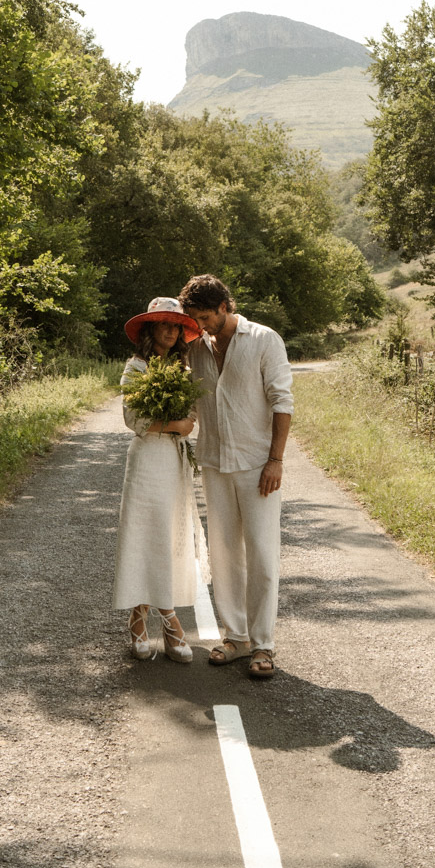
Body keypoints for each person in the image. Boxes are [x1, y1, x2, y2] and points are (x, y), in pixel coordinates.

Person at [178, 274, 293, 679]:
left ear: (226, 306)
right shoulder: (195, 348)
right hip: (214, 462)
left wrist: (275, 460)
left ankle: (263, 643)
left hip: (257, 464)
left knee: (261, 553)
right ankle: (236, 636)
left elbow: (282, 401)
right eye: (195, 318)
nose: (202, 324)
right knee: (224, 552)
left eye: (206, 316)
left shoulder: (264, 339)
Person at [112, 296, 203, 662]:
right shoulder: (135, 368)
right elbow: (133, 421)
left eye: (176, 324)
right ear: (150, 328)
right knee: (145, 534)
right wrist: (175, 425)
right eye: (163, 323)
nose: (170, 330)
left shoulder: (183, 370)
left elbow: (193, 411)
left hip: (174, 460)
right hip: (147, 458)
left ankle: (150, 616)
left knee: (168, 536)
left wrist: (188, 422)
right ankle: (162, 618)